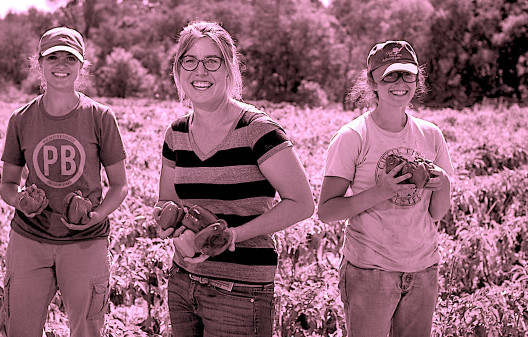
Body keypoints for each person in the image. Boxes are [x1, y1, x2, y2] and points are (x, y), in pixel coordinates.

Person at [152, 20, 314, 336]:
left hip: (240, 291)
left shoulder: (259, 130)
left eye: (212, 61)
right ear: (179, 69)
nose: (200, 71)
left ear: (229, 68)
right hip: (183, 282)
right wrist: (167, 226)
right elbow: (168, 202)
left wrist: (233, 236)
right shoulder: (176, 134)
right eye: (190, 61)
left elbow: (302, 203)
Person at [317, 40, 454, 337]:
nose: (399, 83)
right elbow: (327, 211)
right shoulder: (353, 136)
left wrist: (443, 184)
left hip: (423, 268)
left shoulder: (431, 135)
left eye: (407, 74)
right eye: (389, 75)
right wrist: (381, 191)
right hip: (370, 271)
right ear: (372, 81)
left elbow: (436, 213)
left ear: (417, 79)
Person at [0, 27, 128, 337]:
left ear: (82, 65)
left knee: (86, 330)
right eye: (52, 57)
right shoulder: (21, 118)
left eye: (70, 58)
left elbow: (120, 185)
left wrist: (95, 215)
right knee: (20, 329)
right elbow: (7, 184)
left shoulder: (100, 116)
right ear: (39, 64)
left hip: (86, 242)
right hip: (30, 239)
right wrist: (19, 201)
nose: (61, 64)